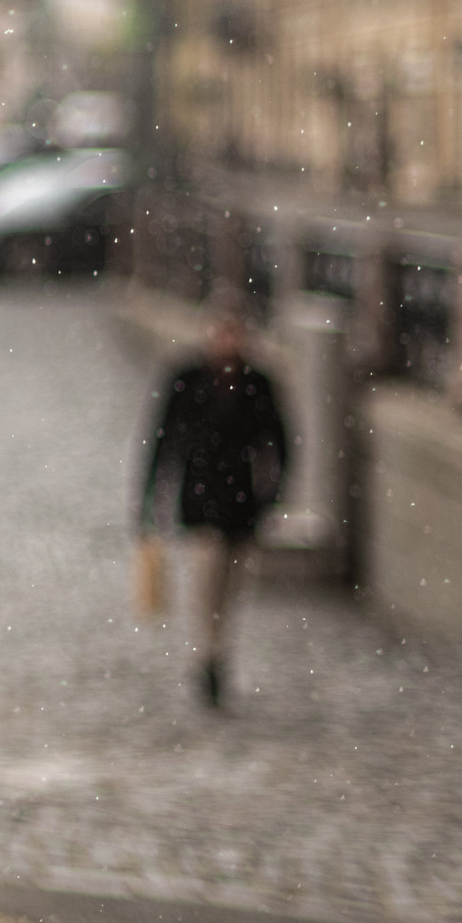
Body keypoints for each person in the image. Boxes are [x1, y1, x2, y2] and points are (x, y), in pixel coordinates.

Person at [138, 301, 289, 709]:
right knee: (207, 583)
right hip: (202, 500)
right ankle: (208, 659)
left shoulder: (257, 382)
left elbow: (280, 441)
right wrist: (150, 500)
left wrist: (272, 495)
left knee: (232, 588)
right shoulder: (187, 377)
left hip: (243, 504)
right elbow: (162, 441)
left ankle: (219, 653)